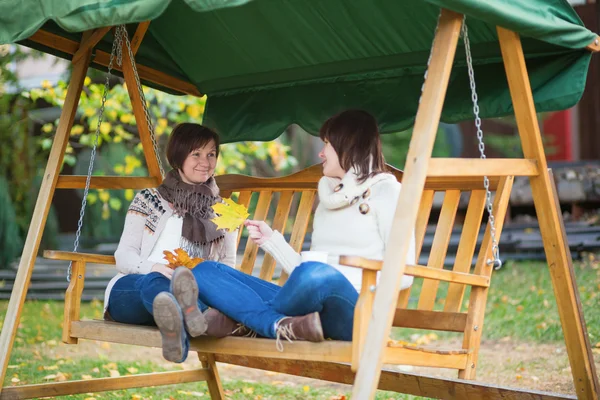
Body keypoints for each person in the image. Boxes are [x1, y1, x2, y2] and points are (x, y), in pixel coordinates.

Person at [190, 109, 417, 350]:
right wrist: (272, 242)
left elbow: (404, 273)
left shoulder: (388, 192)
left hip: (358, 313)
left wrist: (338, 277)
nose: (321, 152)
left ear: (347, 146)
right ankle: (276, 325)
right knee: (205, 271)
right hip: (310, 316)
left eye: (327, 144)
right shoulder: (330, 198)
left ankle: (247, 322)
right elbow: (307, 277)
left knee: (316, 274)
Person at [103, 123, 248, 363]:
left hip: (193, 292)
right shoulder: (149, 199)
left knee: (180, 295)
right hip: (136, 287)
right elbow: (124, 255)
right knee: (155, 284)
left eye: (211, 154)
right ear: (179, 156)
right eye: (197, 154)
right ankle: (189, 315)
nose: (206, 161)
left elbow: (227, 265)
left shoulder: (224, 211)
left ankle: (178, 328)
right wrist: (153, 268)